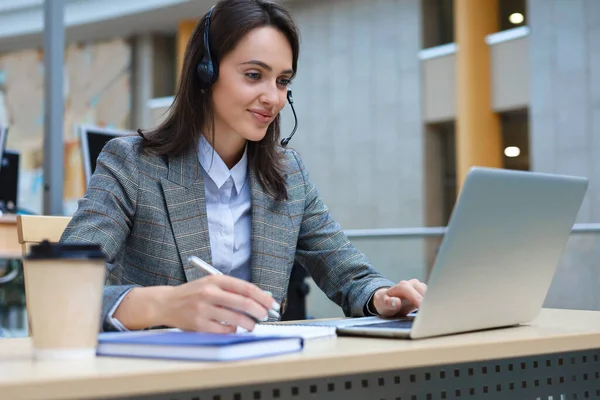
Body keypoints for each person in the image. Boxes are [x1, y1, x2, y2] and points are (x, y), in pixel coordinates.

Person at [61, 0, 427, 333]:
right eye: (254, 75)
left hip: (259, 373)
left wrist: (382, 296)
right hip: (157, 376)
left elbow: (347, 271)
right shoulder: (132, 164)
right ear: (206, 73)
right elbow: (65, 284)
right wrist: (166, 305)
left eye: (283, 81)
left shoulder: (288, 174)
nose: (273, 98)